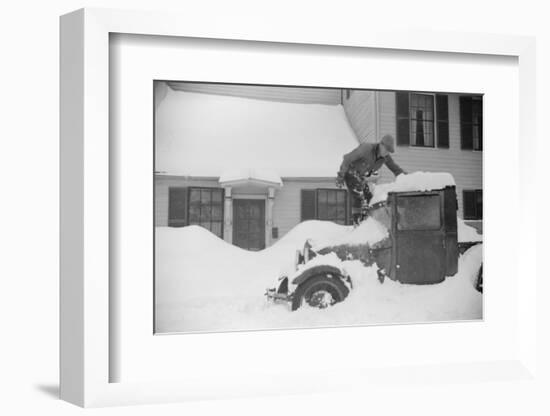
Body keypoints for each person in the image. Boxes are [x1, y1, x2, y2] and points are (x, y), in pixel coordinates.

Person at [336, 134, 406, 225]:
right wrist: (340, 176)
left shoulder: (385, 158)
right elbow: (347, 158)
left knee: (370, 197)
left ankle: (369, 221)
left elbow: (395, 169)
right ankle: (357, 223)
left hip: (360, 176)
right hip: (350, 171)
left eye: (389, 151)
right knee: (359, 195)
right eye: (386, 149)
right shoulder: (366, 148)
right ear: (381, 144)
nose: (386, 152)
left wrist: (408, 179)